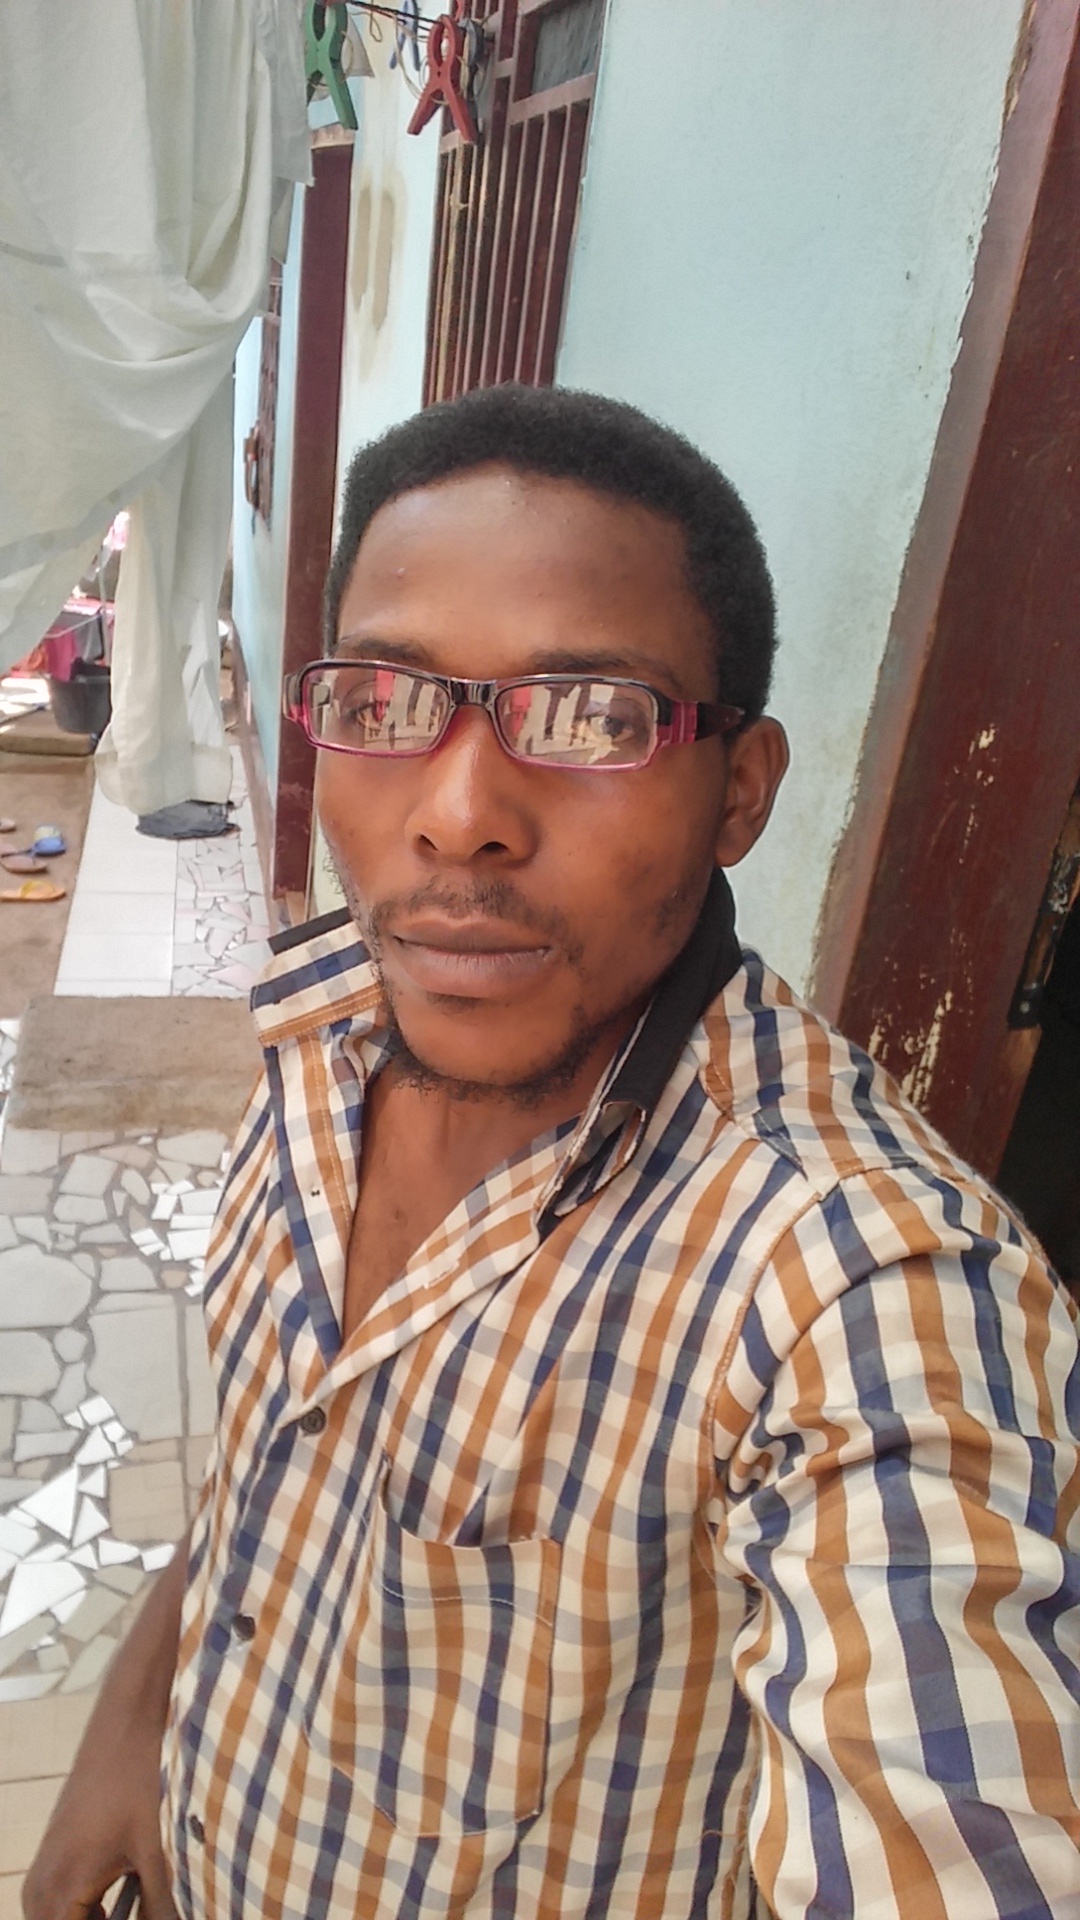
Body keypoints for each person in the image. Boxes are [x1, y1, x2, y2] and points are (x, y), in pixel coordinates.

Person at [25, 386, 1080, 1920]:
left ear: (739, 791)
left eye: (594, 717)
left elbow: (951, 1797)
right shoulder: (327, 1021)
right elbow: (277, 1457)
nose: (458, 817)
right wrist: (137, 1720)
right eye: (387, 700)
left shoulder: (867, 1286)